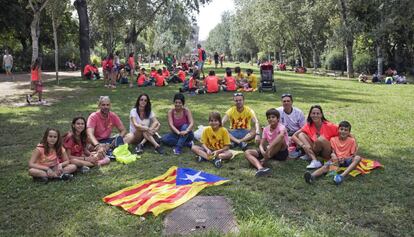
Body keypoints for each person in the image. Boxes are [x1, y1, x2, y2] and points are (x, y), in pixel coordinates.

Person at [304, 121, 361, 185]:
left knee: (358, 158)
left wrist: (345, 158)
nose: (343, 131)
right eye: (341, 129)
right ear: (338, 130)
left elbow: (353, 154)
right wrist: (334, 156)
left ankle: (342, 176)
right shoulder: (333, 139)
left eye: (346, 130)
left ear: (349, 132)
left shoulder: (352, 141)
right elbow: (333, 151)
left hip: (347, 160)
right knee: (325, 167)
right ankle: (311, 176)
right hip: (336, 160)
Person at [245, 109, 289, 177]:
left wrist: (268, 149)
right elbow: (261, 144)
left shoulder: (281, 127)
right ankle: (261, 168)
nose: (271, 119)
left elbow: (281, 135)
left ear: (278, 119)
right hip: (269, 152)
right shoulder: (266, 129)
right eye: (269, 117)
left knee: (281, 139)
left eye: (273, 117)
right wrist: (262, 150)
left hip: (280, 152)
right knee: (247, 152)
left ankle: (264, 160)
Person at [292, 105, 338, 169]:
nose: (315, 115)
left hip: (327, 152)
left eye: (317, 113)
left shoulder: (329, 125)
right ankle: (314, 160)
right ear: (310, 115)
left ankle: (311, 156)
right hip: (316, 150)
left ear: (321, 115)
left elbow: (346, 134)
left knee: (320, 139)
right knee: (301, 134)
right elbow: (294, 136)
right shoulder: (309, 125)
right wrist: (303, 145)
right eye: (313, 113)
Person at [276, 94, 306, 158]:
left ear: (292, 102)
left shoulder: (299, 112)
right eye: (284, 101)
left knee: (302, 137)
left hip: (296, 133)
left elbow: (303, 128)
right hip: (283, 133)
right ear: (282, 102)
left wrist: (294, 136)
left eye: (288, 101)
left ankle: (298, 148)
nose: (286, 103)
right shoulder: (277, 111)